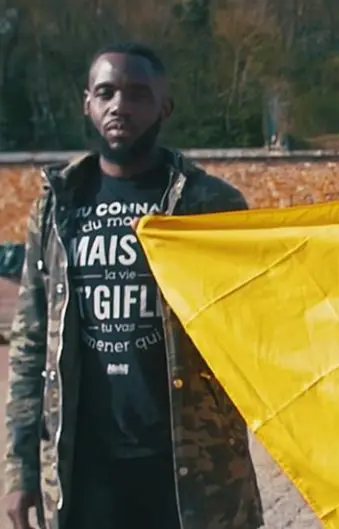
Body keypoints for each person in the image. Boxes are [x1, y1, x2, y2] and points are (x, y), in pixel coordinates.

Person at [2, 41, 264, 529]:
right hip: (85, 469)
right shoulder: (58, 206)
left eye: (138, 94)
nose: (119, 105)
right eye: (106, 92)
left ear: (165, 106)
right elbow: (31, 343)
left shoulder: (208, 205)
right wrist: (19, 470)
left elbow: (255, 327)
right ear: (87, 103)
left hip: (190, 470)